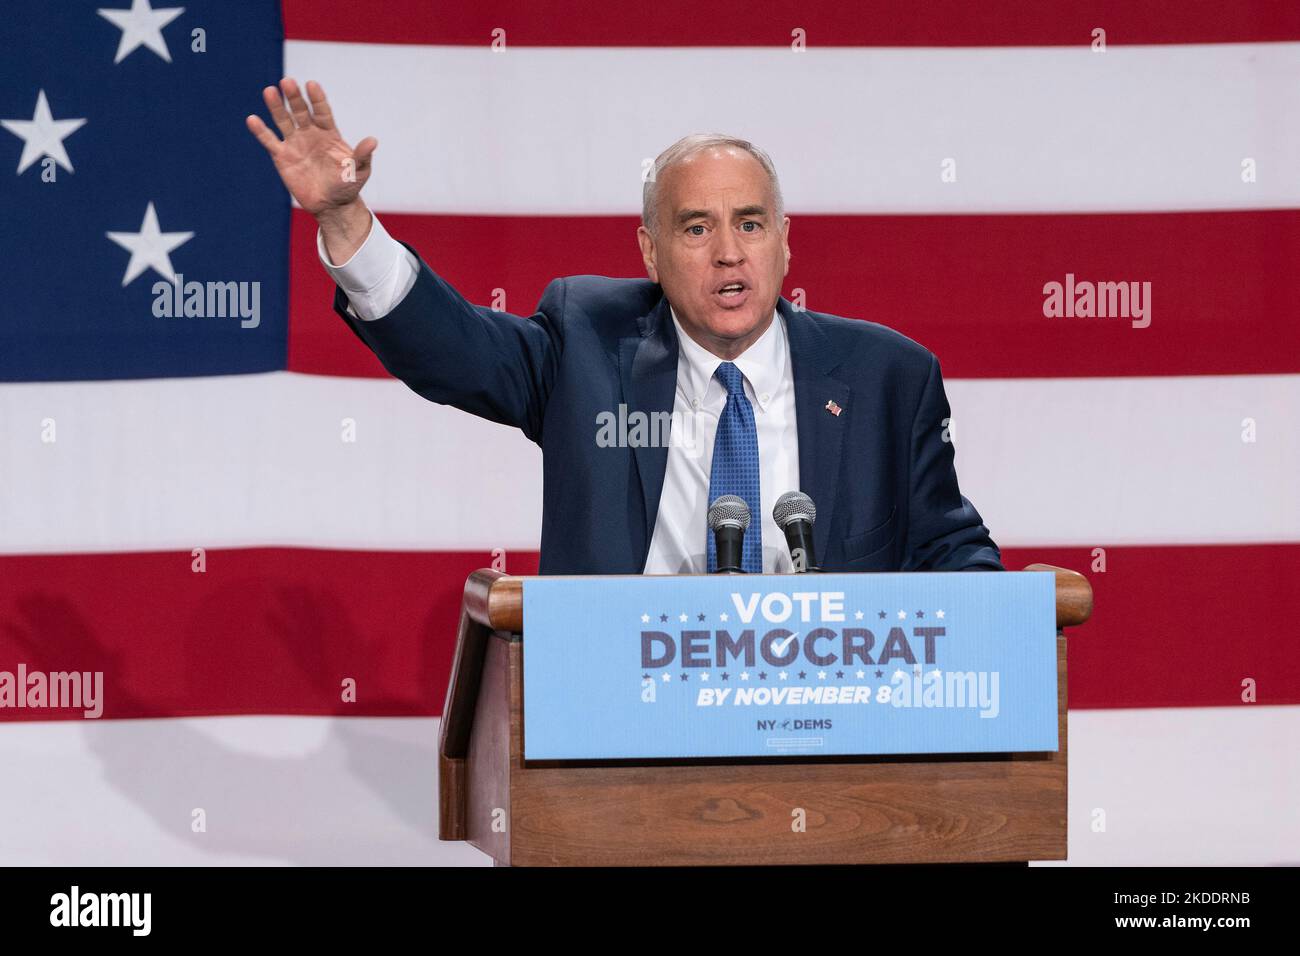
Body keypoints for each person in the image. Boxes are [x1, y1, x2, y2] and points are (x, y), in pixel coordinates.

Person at [247, 78, 1003, 576]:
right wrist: (347, 220)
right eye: (697, 228)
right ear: (651, 251)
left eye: (749, 223)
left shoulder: (886, 379)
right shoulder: (589, 345)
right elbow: (454, 351)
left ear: (784, 238)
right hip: (625, 731)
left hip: (826, 729)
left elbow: (950, 552)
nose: (730, 252)